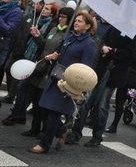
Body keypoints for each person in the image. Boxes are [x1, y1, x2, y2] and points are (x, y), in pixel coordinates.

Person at [28, 11, 96, 154]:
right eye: (76, 20)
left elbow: (85, 69)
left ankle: (45, 144)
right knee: (44, 108)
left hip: (69, 83)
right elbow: (63, 54)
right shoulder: (71, 37)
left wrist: (76, 85)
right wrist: (55, 55)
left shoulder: (89, 44)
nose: (76, 22)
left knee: (53, 113)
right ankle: (62, 130)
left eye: (80, 21)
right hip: (56, 77)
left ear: (88, 26)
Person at [67, 27, 136, 147]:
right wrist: (103, 47)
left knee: (102, 105)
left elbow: (131, 54)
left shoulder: (132, 34)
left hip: (115, 73)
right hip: (101, 70)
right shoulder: (113, 27)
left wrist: (113, 52)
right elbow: (102, 40)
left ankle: (97, 136)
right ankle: (76, 133)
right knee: (86, 101)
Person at [19, 6, 74, 137]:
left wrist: (56, 55)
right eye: (60, 16)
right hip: (41, 66)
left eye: (64, 17)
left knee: (43, 102)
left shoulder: (68, 35)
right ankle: (34, 129)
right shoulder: (54, 29)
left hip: (51, 70)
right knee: (34, 100)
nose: (61, 18)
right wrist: (37, 36)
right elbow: (44, 45)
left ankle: (47, 131)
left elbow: (65, 52)